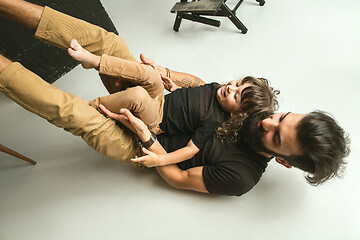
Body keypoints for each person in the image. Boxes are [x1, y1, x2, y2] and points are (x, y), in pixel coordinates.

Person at [0, 0, 350, 196]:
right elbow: (206, 87)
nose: (268, 122)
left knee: (68, 109)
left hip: (136, 141)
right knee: (108, 42)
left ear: (285, 162)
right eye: (283, 117)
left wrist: (145, 135)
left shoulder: (241, 176)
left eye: (276, 136)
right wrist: (168, 74)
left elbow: (179, 178)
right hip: (154, 102)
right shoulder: (258, 107)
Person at [67, 40, 279, 168]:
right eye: (238, 84)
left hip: (156, 119)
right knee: (150, 72)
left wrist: (161, 160)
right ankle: (94, 61)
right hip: (161, 99)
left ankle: (92, 105)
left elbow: (189, 151)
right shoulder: (215, 88)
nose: (231, 88)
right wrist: (175, 89)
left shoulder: (214, 121)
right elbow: (192, 100)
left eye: (236, 97)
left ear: (237, 115)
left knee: (139, 95)